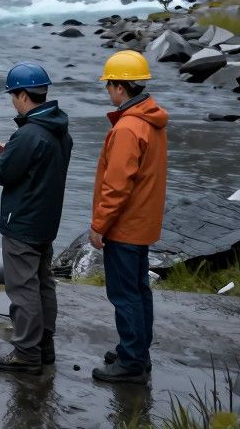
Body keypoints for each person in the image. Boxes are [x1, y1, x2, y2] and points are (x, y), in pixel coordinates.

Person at [0, 61, 73, 375]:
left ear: (22, 95)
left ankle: (26, 353)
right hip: (47, 222)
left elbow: (3, 175)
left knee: (23, 290)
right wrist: (10, 150)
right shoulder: (59, 129)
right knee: (44, 284)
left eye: (12, 95)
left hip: (23, 224)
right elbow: (39, 167)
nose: (12, 100)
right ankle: (45, 347)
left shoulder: (29, 134)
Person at [90, 50, 168, 384]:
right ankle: (136, 351)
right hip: (143, 223)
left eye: (109, 84)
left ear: (121, 88)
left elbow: (116, 186)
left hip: (125, 226)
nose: (108, 90)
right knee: (139, 292)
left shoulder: (127, 128)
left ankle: (131, 362)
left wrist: (99, 225)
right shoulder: (152, 121)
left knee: (124, 295)